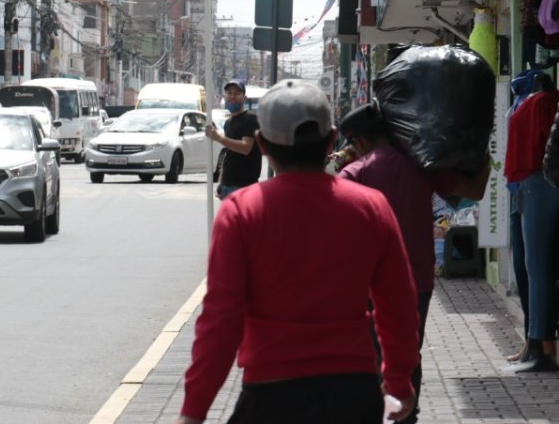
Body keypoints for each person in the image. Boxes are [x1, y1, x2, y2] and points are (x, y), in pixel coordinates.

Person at [177, 80, 420, 424]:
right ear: (333, 139)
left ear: (262, 143)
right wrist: (398, 381)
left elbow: (220, 319)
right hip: (355, 393)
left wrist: (194, 410)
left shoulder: (241, 212)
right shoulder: (370, 207)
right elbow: (398, 304)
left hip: (269, 394)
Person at [336, 103, 486, 417]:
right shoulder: (423, 164)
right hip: (417, 279)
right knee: (408, 351)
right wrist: (481, 152)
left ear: (360, 142)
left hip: (368, 281)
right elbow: (475, 188)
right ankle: (405, 414)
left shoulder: (355, 173)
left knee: (374, 354)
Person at [510, 73, 559, 372]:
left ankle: (541, 346)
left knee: (536, 267)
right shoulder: (544, 103)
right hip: (536, 181)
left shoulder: (534, 105)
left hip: (535, 182)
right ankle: (539, 343)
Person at [204, 79, 262, 199]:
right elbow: (228, 153)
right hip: (227, 184)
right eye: (229, 93)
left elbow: (246, 147)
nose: (232, 96)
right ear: (224, 97)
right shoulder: (228, 123)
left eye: (237, 93)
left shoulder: (250, 119)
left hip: (244, 185)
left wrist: (219, 138)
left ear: (244, 97)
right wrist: (221, 182)